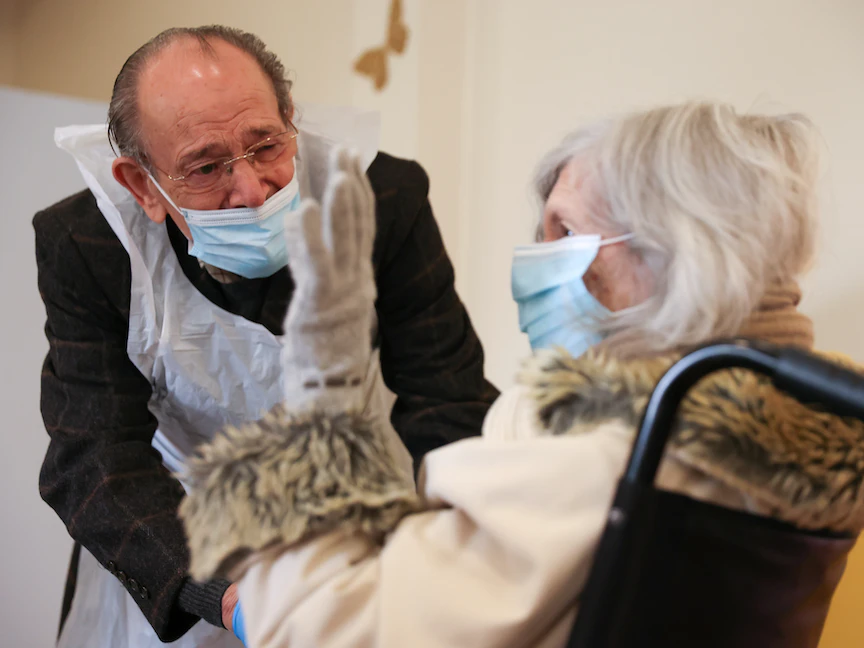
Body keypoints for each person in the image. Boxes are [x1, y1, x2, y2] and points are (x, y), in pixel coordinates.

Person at [180, 101, 864, 648]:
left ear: (678, 252)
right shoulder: (811, 426)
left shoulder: (608, 461)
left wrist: (320, 397)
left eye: (563, 231)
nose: (536, 257)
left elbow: (312, 631)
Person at [34, 25, 497, 648]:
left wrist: (471, 543)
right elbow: (94, 455)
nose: (252, 191)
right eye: (205, 167)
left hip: (354, 520)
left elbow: (447, 398)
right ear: (143, 185)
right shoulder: (90, 246)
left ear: (291, 120)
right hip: (174, 537)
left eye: (266, 145)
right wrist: (226, 598)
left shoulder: (382, 198)